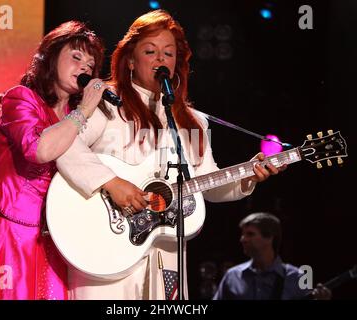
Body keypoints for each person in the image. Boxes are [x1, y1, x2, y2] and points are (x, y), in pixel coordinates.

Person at [56, 9, 285, 300]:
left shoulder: (192, 121)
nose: (161, 59)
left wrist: (248, 176)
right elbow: (64, 145)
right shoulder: (107, 104)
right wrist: (111, 183)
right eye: (150, 51)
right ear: (129, 60)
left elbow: (206, 183)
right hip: (105, 243)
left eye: (169, 53)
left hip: (165, 247)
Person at [0, 21, 109, 299]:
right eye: (76, 57)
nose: (84, 69)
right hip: (14, 230)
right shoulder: (21, 99)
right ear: (51, 58)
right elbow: (38, 150)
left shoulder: (79, 118)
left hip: (57, 235)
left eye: (90, 65)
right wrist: (85, 110)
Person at [212, 212, 332, 300]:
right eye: (243, 234)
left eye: (250, 234)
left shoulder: (297, 277)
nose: (243, 239)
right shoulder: (232, 276)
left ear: (269, 237)